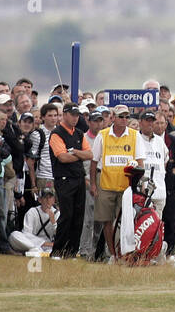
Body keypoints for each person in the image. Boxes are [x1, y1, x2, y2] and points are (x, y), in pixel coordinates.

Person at [90, 105, 137, 261]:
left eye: (126, 117)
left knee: (123, 220)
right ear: (113, 118)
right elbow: (93, 162)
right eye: (121, 116)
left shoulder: (134, 135)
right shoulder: (102, 135)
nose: (124, 120)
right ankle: (112, 254)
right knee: (106, 220)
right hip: (104, 183)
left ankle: (122, 251)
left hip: (126, 185)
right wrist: (93, 185)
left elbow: (140, 162)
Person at [49, 104, 92, 258]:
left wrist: (74, 152)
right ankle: (58, 251)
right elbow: (62, 157)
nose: (75, 118)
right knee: (66, 215)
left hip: (79, 178)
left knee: (78, 217)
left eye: (77, 115)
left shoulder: (79, 133)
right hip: (64, 179)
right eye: (72, 114)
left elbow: (90, 155)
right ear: (64, 114)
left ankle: (72, 252)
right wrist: (79, 154)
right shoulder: (56, 134)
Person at [10, 187, 58, 254]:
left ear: (53, 200)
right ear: (40, 200)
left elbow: (60, 235)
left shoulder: (57, 213)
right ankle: (36, 250)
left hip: (49, 245)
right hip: (32, 242)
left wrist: (53, 222)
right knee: (14, 235)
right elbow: (26, 233)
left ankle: (34, 251)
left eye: (50, 197)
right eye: (45, 197)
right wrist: (42, 243)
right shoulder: (32, 211)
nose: (48, 200)